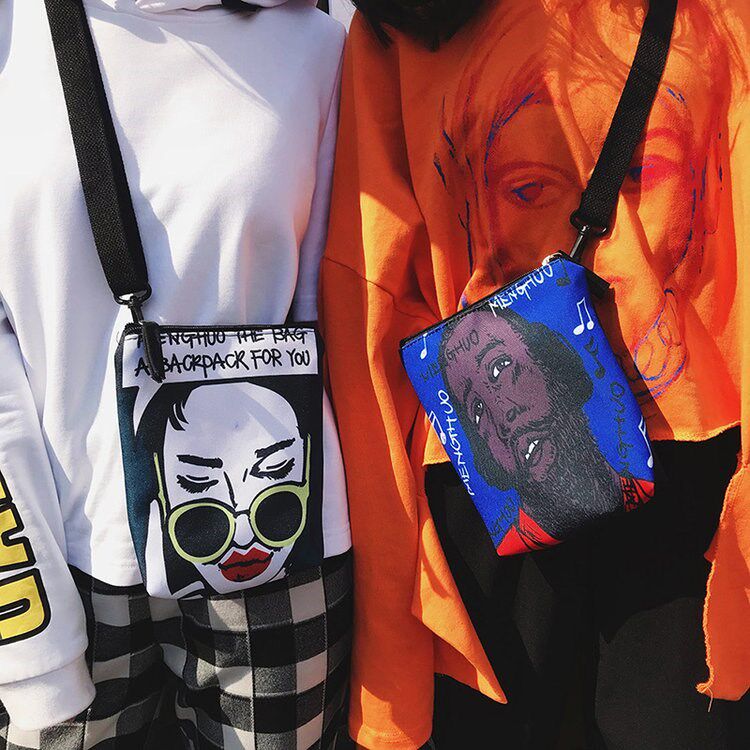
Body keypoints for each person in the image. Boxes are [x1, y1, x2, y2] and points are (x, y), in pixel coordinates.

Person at [320, 0, 749, 748]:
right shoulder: (406, 23)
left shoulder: (724, 17)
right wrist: (389, 635)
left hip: (692, 471)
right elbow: (368, 291)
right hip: (492, 474)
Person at [0, 0, 351, 747]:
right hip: (59, 549)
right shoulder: (9, 33)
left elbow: (330, 309)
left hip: (275, 543)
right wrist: (31, 648)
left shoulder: (315, 44)